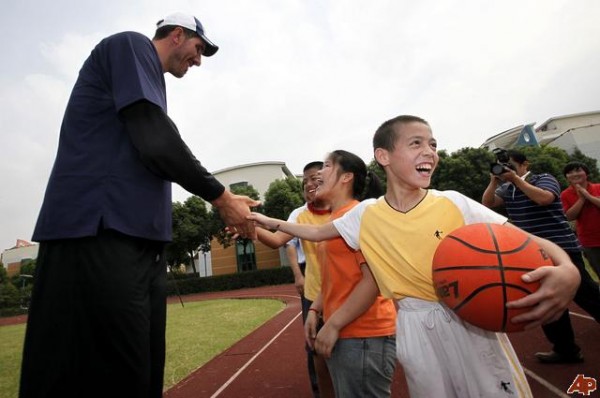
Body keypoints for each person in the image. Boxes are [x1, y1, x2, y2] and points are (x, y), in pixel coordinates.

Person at [249, 115, 581, 397]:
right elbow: (317, 232)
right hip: (412, 325)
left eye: (433, 144)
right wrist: (268, 221)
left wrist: (568, 269)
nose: (430, 152)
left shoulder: (453, 202)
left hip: (469, 319)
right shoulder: (367, 213)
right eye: (416, 143)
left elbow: (525, 240)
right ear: (384, 156)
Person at [20, 13, 259, 398]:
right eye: (198, 49)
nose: (198, 60)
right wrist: (222, 198)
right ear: (177, 35)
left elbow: (156, 142)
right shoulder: (130, 45)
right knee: (106, 371)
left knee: (140, 371)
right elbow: (156, 139)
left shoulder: (149, 83)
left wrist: (224, 200)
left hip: (137, 242)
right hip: (98, 231)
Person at [482, 150, 600, 364]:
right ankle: (566, 350)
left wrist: (517, 180)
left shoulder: (543, 178)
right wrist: (494, 181)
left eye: (510, 164)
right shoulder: (507, 188)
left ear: (524, 164)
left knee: (585, 293)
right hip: (532, 253)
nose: (507, 169)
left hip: (561, 247)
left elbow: (545, 199)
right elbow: (488, 203)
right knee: (547, 299)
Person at [303, 150, 396, 398]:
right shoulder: (336, 220)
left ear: (346, 178)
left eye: (326, 166)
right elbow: (336, 277)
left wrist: (333, 324)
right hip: (348, 332)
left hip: (364, 333)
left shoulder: (361, 215)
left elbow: (374, 280)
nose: (318, 173)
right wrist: (315, 309)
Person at [255, 161, 333, 398]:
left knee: (347, 353)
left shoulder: (348, 210)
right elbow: (280, 240)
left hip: (343, 293)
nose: (309, 184)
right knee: (316, 350)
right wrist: (251, 226)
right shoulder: (300, 215)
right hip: (314, 291)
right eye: (305, 181)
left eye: (316, 179)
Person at [561, 161, 600, 277]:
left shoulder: (598, 187)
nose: (574, 174)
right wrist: (581, 199)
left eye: (578, 170)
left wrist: (588, 196)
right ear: (567, 178)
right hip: (589, 241)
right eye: (569, 172)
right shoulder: (565, 194)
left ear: (586, 174)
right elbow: (569, 216)